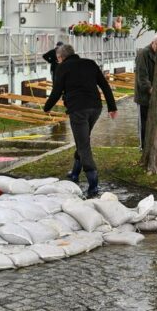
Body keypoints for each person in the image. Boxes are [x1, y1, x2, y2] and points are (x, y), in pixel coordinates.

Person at [43, 44, 118, 198]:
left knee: (83, 144)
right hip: (95, 108)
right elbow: (104, 85)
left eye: (58, 58)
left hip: (78, 110)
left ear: (61, 57)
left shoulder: (62, 68)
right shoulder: (90, 63)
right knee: (82, 140)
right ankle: (75, 173)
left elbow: (56, 91)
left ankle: (93, 183)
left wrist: (46, 108)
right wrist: (112, 107)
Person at [134, 36, 157, 151]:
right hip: (144, 96)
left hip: (155, 95)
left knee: (154, 123)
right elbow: (142, 76)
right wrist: (150, 89)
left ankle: (152, 145)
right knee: (143, 123)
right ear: (153, 42)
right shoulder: (143, 53)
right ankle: (143, 146)